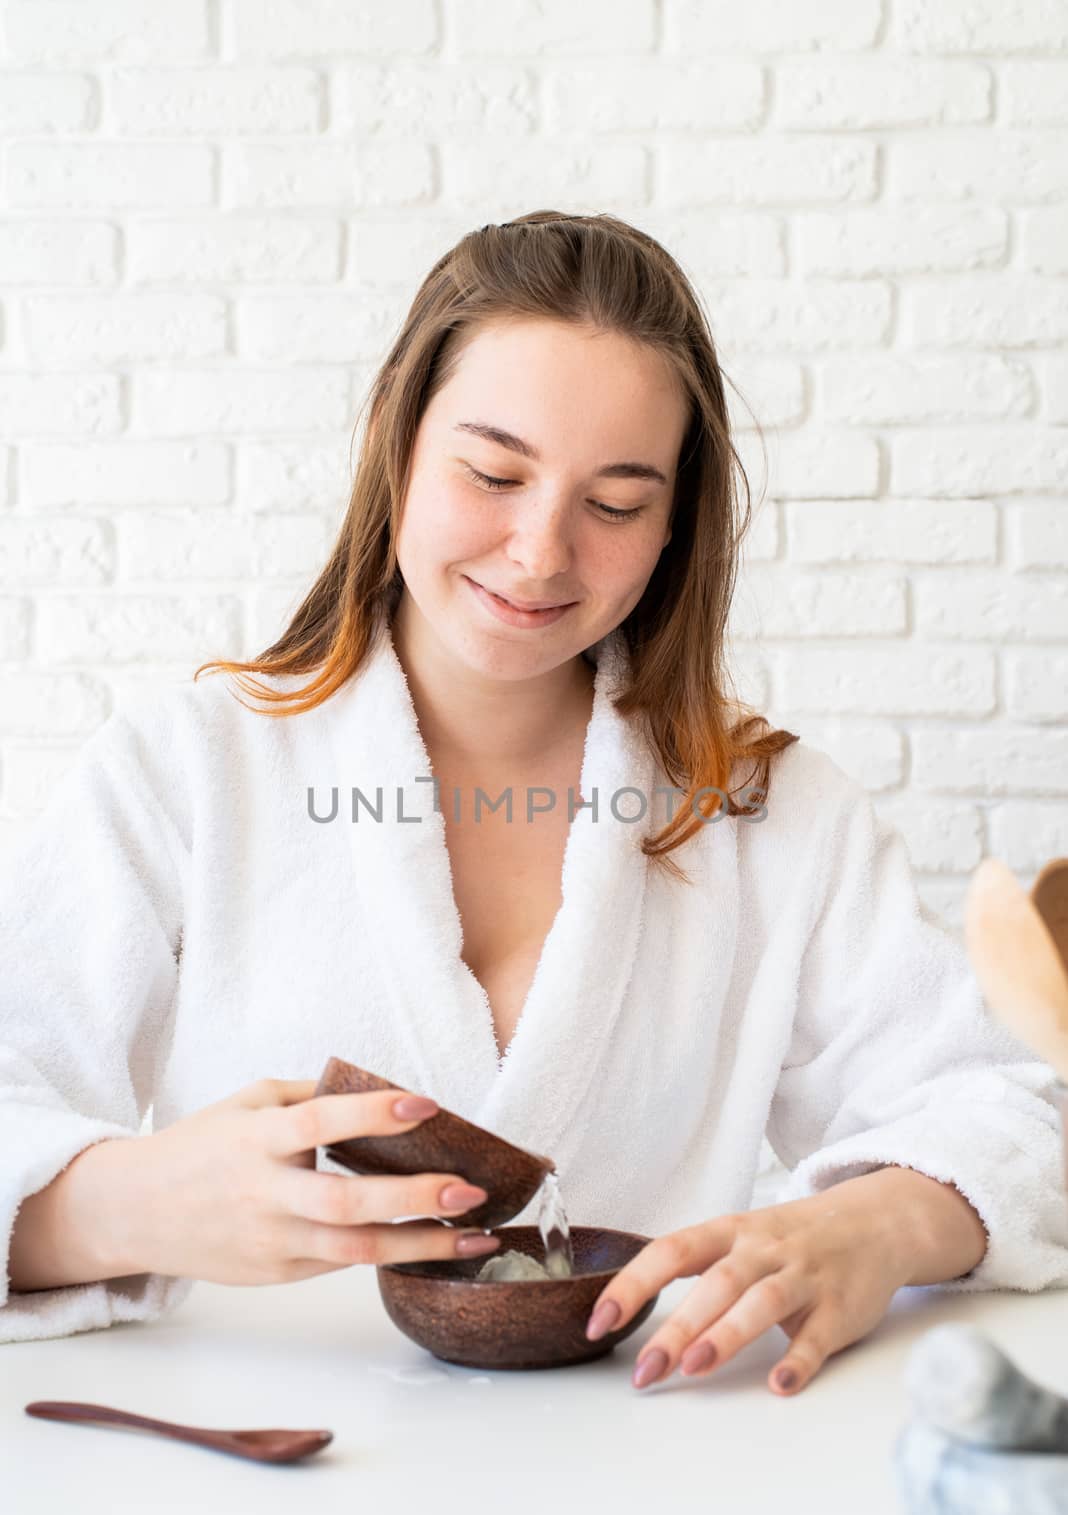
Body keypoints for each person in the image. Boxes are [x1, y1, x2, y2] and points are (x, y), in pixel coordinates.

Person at [3, 212, 1067, 1394]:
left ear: (674, 526)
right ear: (396, 444)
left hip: (650, 1498)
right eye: (493, 473)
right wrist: (121, 1204)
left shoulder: (767, 813)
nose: (539, 553)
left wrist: (879, 1226)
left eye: (615, 504)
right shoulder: (188, 771)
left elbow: (1009, 1110)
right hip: (248, 1483)